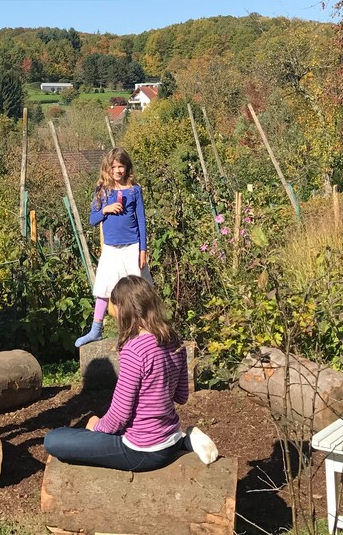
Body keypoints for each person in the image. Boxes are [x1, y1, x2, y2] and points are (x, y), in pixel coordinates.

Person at [44, 275, 218, 471]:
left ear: (123, 309)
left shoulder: (135, 350)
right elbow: (181, 396)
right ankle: (186, 441)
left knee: (53, 439)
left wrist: (96, 428)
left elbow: (119, 415)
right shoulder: (174, 340)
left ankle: (184, 441)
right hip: (170, 438)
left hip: (142, 450)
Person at [76, 148, 152, 348]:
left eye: (121, 166)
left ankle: (142, 329)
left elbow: (142, 221)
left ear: (127, 168)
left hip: (132, 246)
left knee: (138, 289)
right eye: (114, 167)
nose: (118, 170)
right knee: (104, 287)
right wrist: (106, 210)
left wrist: (142, 250)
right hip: (111, 248)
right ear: (108, 169)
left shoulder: (135, 190)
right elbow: (93, 219)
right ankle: (96, 329)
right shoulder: (102, 191)